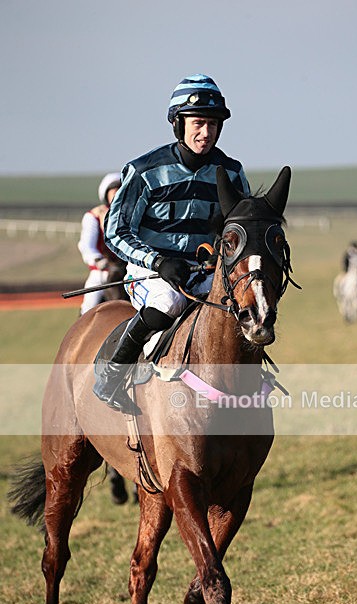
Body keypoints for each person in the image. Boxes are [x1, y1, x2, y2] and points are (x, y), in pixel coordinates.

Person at [92, 74, 250, 415]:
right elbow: (115, 233)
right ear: (178, 124)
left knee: (244, 306)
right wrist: (158, 262)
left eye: (213, 124)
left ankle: (247, 387)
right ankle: (112, 376)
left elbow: (242, 233)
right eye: (198, 123)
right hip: (152, 273)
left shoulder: (232, 173)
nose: (206, 133)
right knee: (170, 301)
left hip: (207, 271)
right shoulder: (144, 170)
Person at [77, 173, 127, 315]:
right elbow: (87, 246)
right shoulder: (94, 216)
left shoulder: (132, 214)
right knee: (89, 306)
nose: (118, 194)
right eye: (114, 191)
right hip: (103, 272)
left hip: (129, 271)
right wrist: (99, 261)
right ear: (106, 194)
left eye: (121, 190)